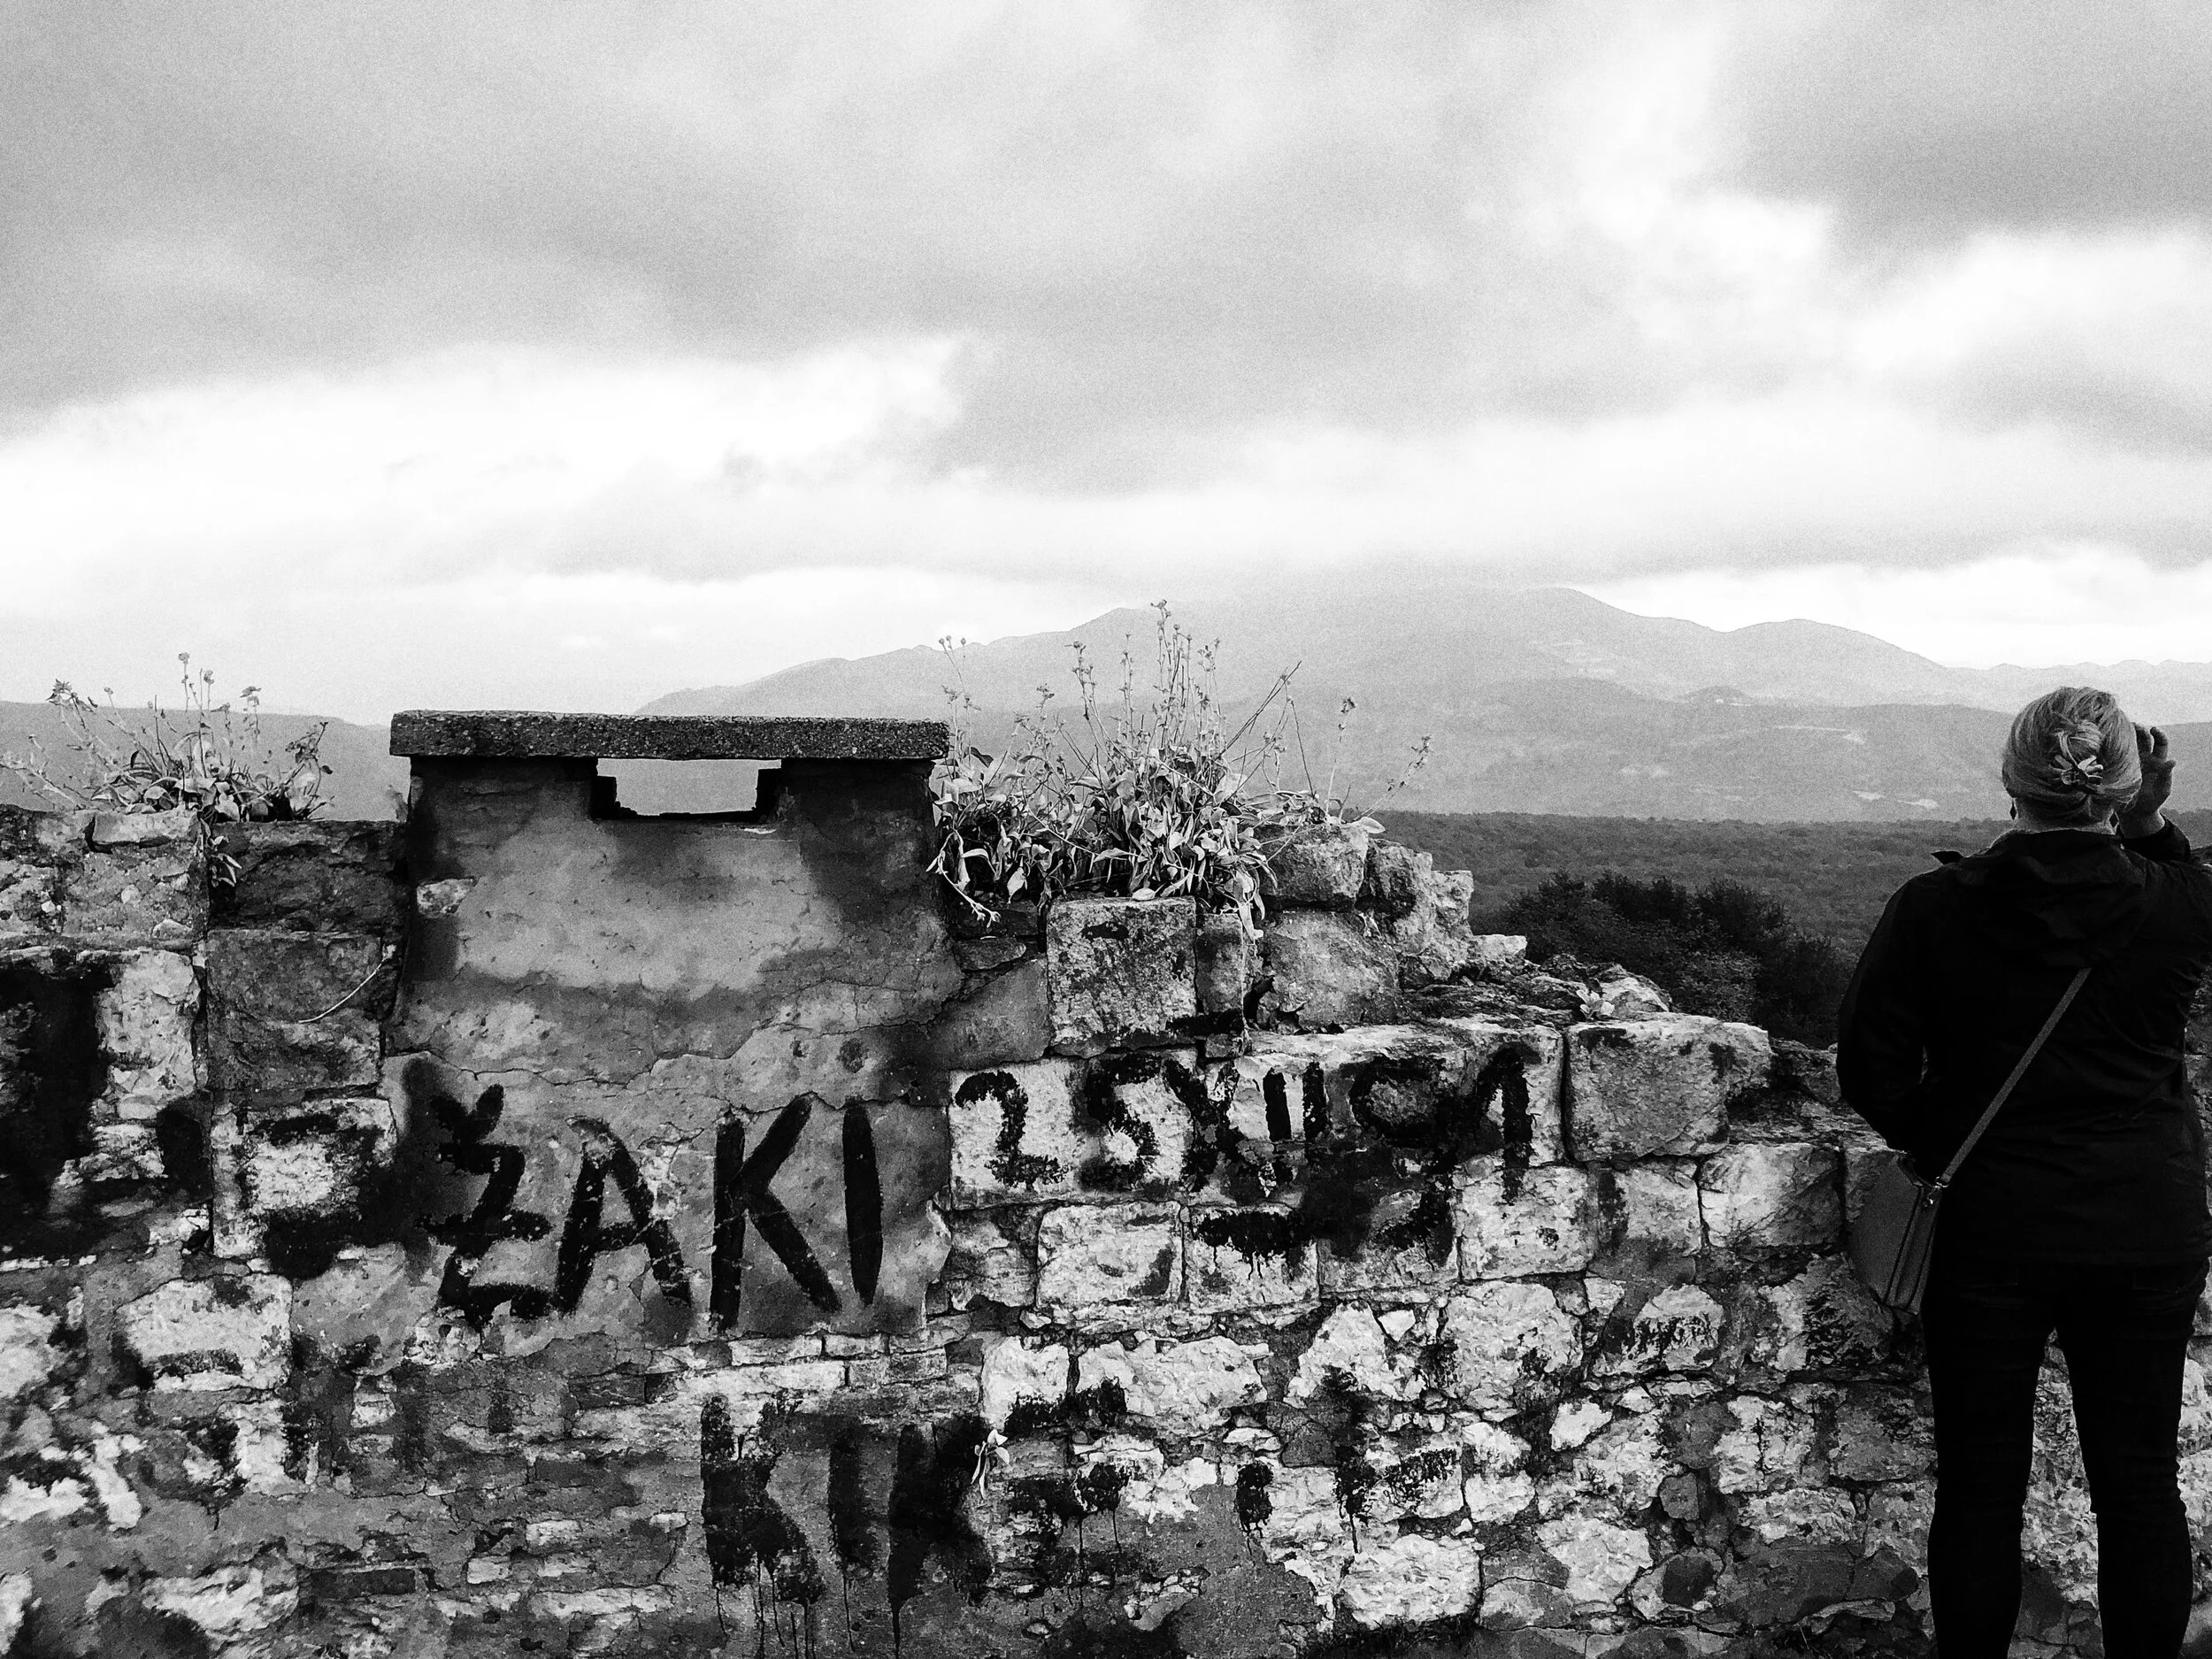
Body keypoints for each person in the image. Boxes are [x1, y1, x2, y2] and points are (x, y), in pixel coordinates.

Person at [1839, 687, 2212, 1656]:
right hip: (2144, 1219)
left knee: (1979, 1485)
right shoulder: (2178, 904)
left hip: (1992, 1226)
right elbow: (2177, 874)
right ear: (2122, 793)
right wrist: (2153, 820)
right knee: (2137, 1483)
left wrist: (1953, 1141)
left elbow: (1868, 1070)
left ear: (2008, 780)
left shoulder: (1932, 910)